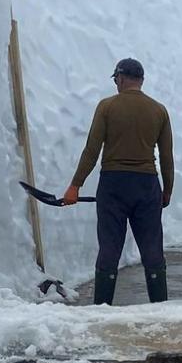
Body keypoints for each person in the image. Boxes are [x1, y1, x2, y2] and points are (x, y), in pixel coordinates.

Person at [62, 57, 173, 304]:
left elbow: (91, 150)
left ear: (120, 78)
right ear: (141, 80)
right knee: (152, 248)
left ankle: (102, 308)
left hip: (113, 185)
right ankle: (161, 307)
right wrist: (167, 190)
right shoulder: (159, 110)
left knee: (109, 248)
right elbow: (166, 156)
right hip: (147, 185)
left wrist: (75, 186)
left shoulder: (107, 107)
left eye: (116, 80)